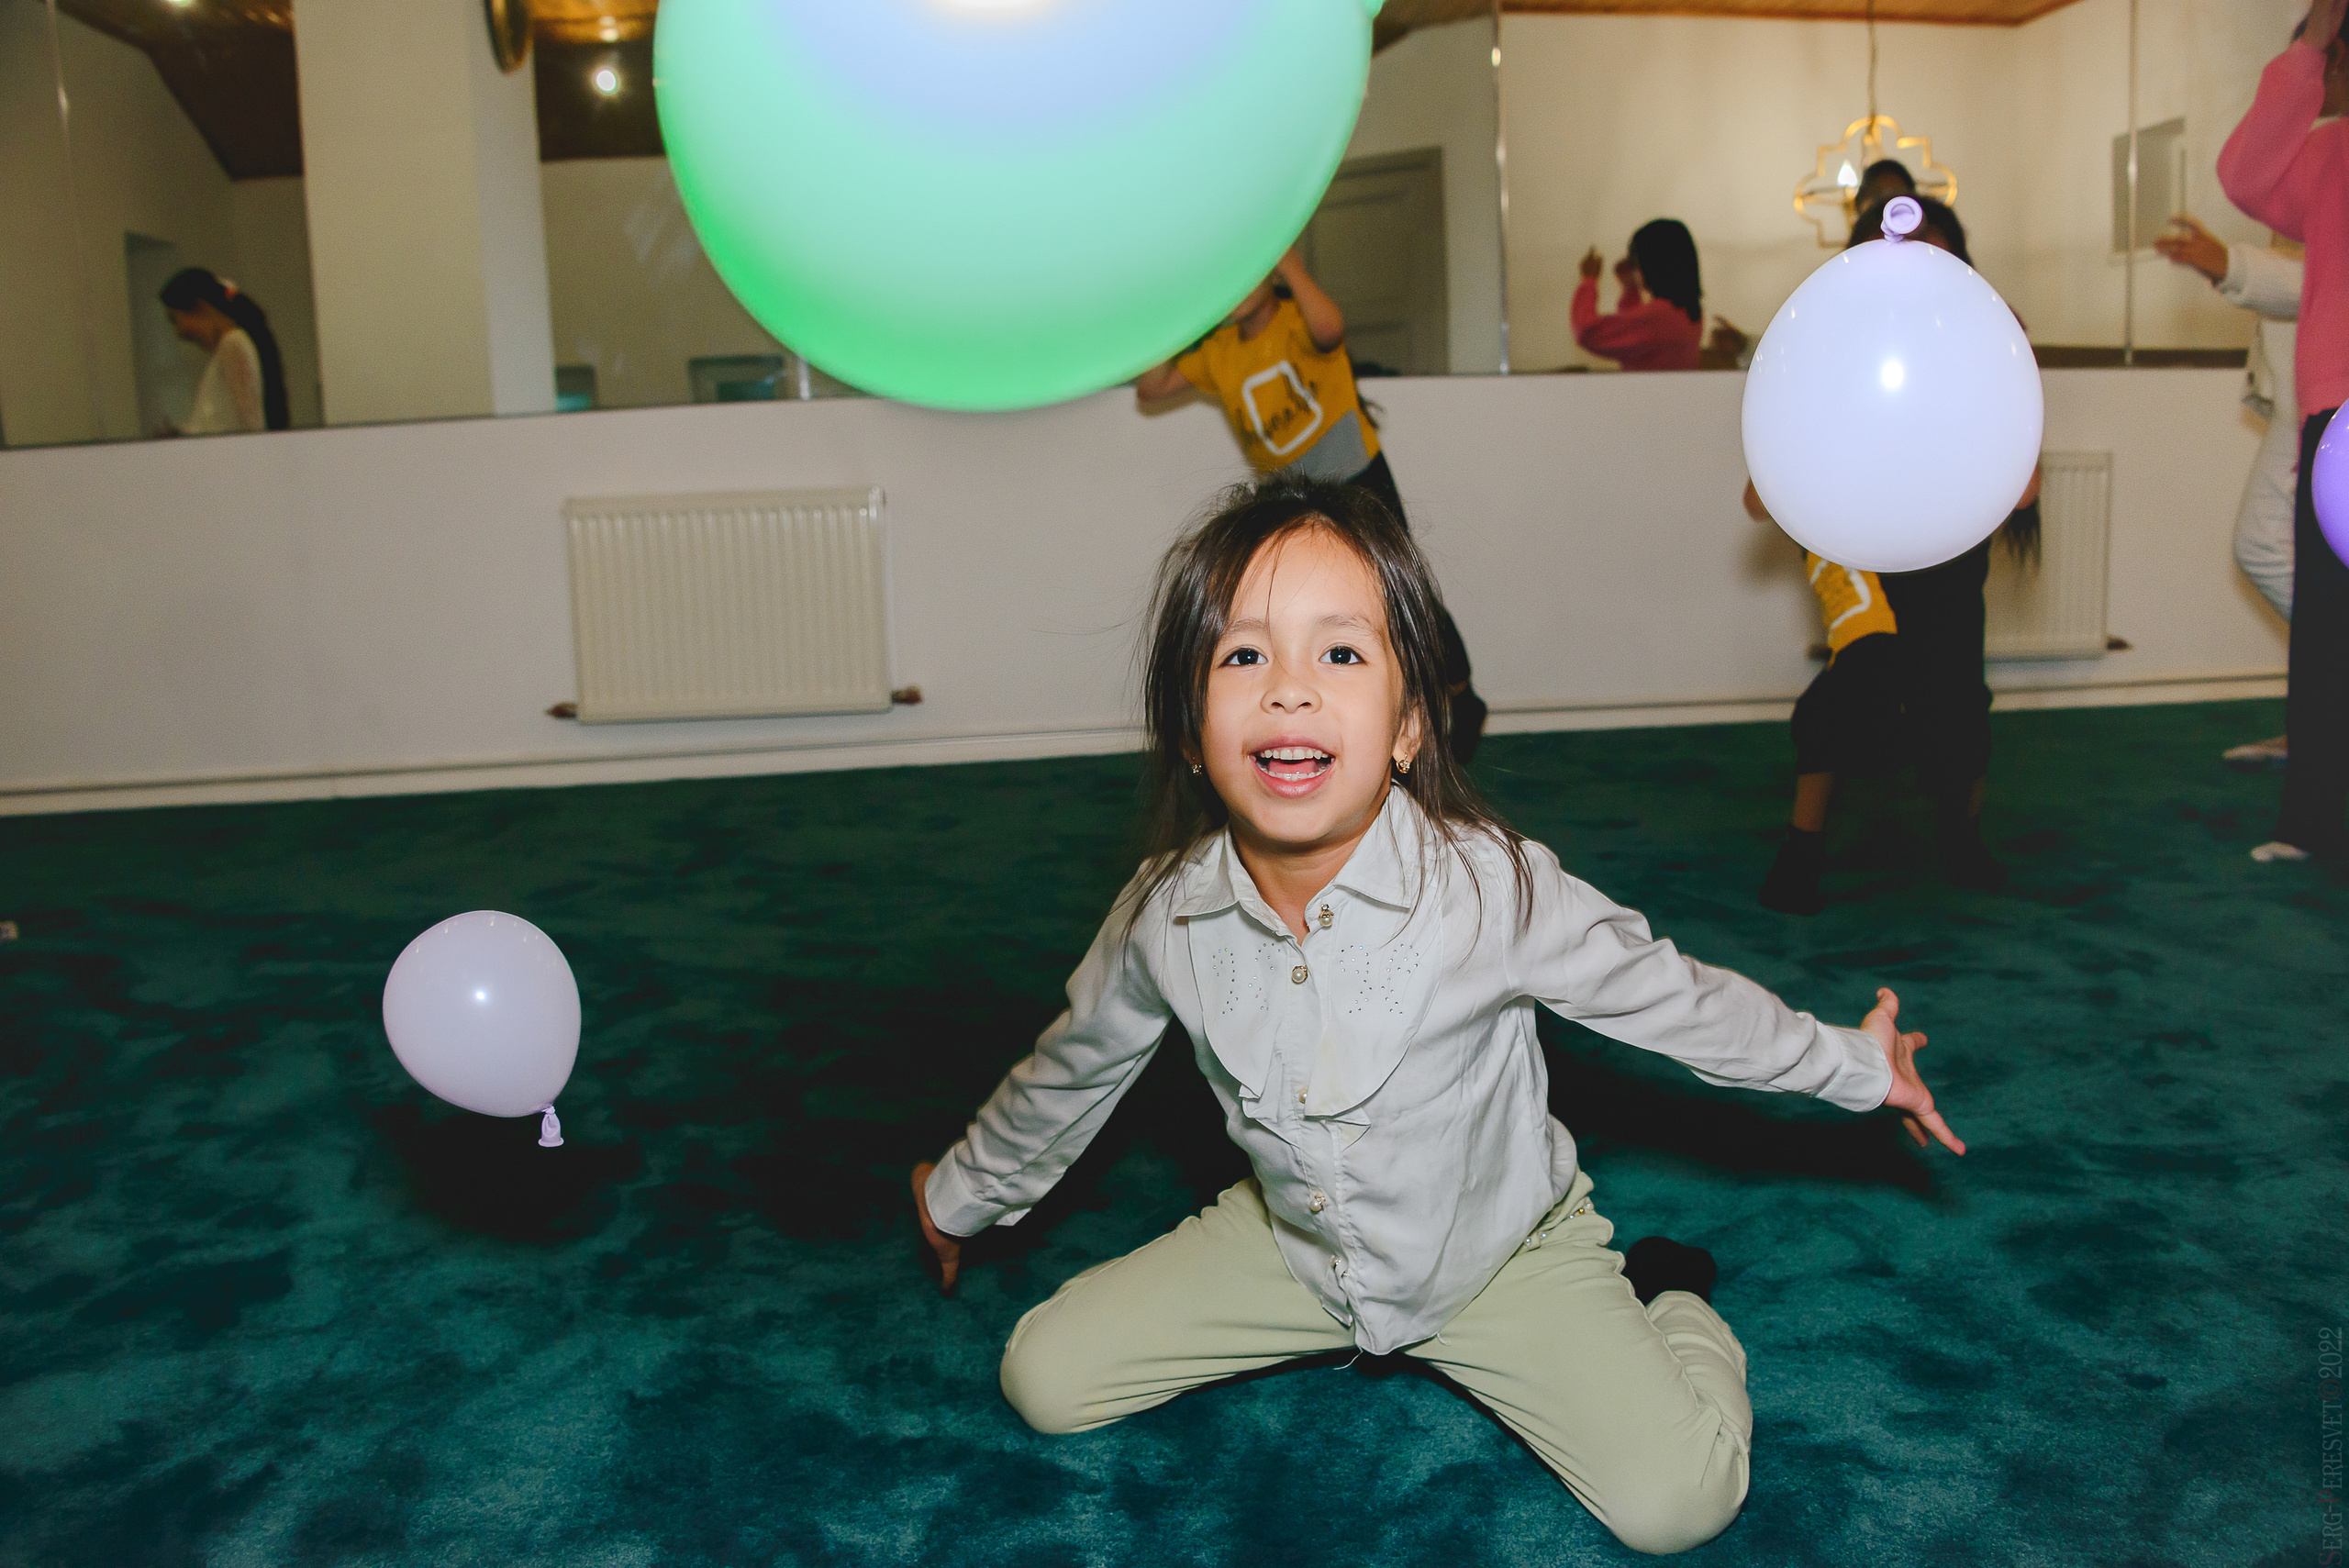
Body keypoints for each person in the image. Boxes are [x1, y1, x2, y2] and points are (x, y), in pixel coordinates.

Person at [909, 475, 1963, 1556]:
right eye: (1243, 655)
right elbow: (1073, 1064)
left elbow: (1677, 1000)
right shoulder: (1162, 917)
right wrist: (957, 1195)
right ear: (1190, 727)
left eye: (1339, 652)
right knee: (1041, 1375)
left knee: (1680, 1501)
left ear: (1409, 724)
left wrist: (1857, 1063)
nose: (1289, 690)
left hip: (1499, 1254)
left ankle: (1673, 1301)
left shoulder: (1489, 888)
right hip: (1296, 1243)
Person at [1746, 195, 2041, 914]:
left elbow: (2024, 488)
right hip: (1861, 550)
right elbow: (1761, 495)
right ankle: (1802, 845)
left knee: (1959, 697)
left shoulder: (1987, 339)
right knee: (1860, 677)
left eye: (1939, 261)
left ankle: (1962, 837)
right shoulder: (1832, 342)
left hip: (1949, 551)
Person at [1135, 247, 1486, 760]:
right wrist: (1182, 316)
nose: (1238, 289)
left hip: (1356, 475)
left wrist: (1292, 268)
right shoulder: (1218, 352)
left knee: (1397, 593)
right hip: (1291, 494)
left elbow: (1329, 330)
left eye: (1249, 273)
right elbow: (1150, 388)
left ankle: (1459, 695)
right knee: (1315, 603)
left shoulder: (1297, 319)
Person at [2218, 0, 2349, 862]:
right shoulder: (2332, 152)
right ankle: (2311, 822)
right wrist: (2307, 49)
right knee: (2328, 621)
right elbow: (2245, 174)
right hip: (2336, 408)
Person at [2154, 214, 2302, 767]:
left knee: (2263, 547)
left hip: (2328, 402)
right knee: (2300, 558)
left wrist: (2230, 265)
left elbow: (2323, 281)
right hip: (2309, 397)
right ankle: (2314, 726)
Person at [158, 268, 289, 436]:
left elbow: (251, 426)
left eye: (175, 319)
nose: (179, 332)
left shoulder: (233, 344)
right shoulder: (228, 348)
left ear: (200, 307)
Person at [1572, 218, 1704, 372]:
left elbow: (1587, 333)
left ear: (1651, 264)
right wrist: (1631, 287)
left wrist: (1589, 280)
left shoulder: (1658, 316)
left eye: (1637, 261)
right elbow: (1635, 335)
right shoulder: (1687, 312)